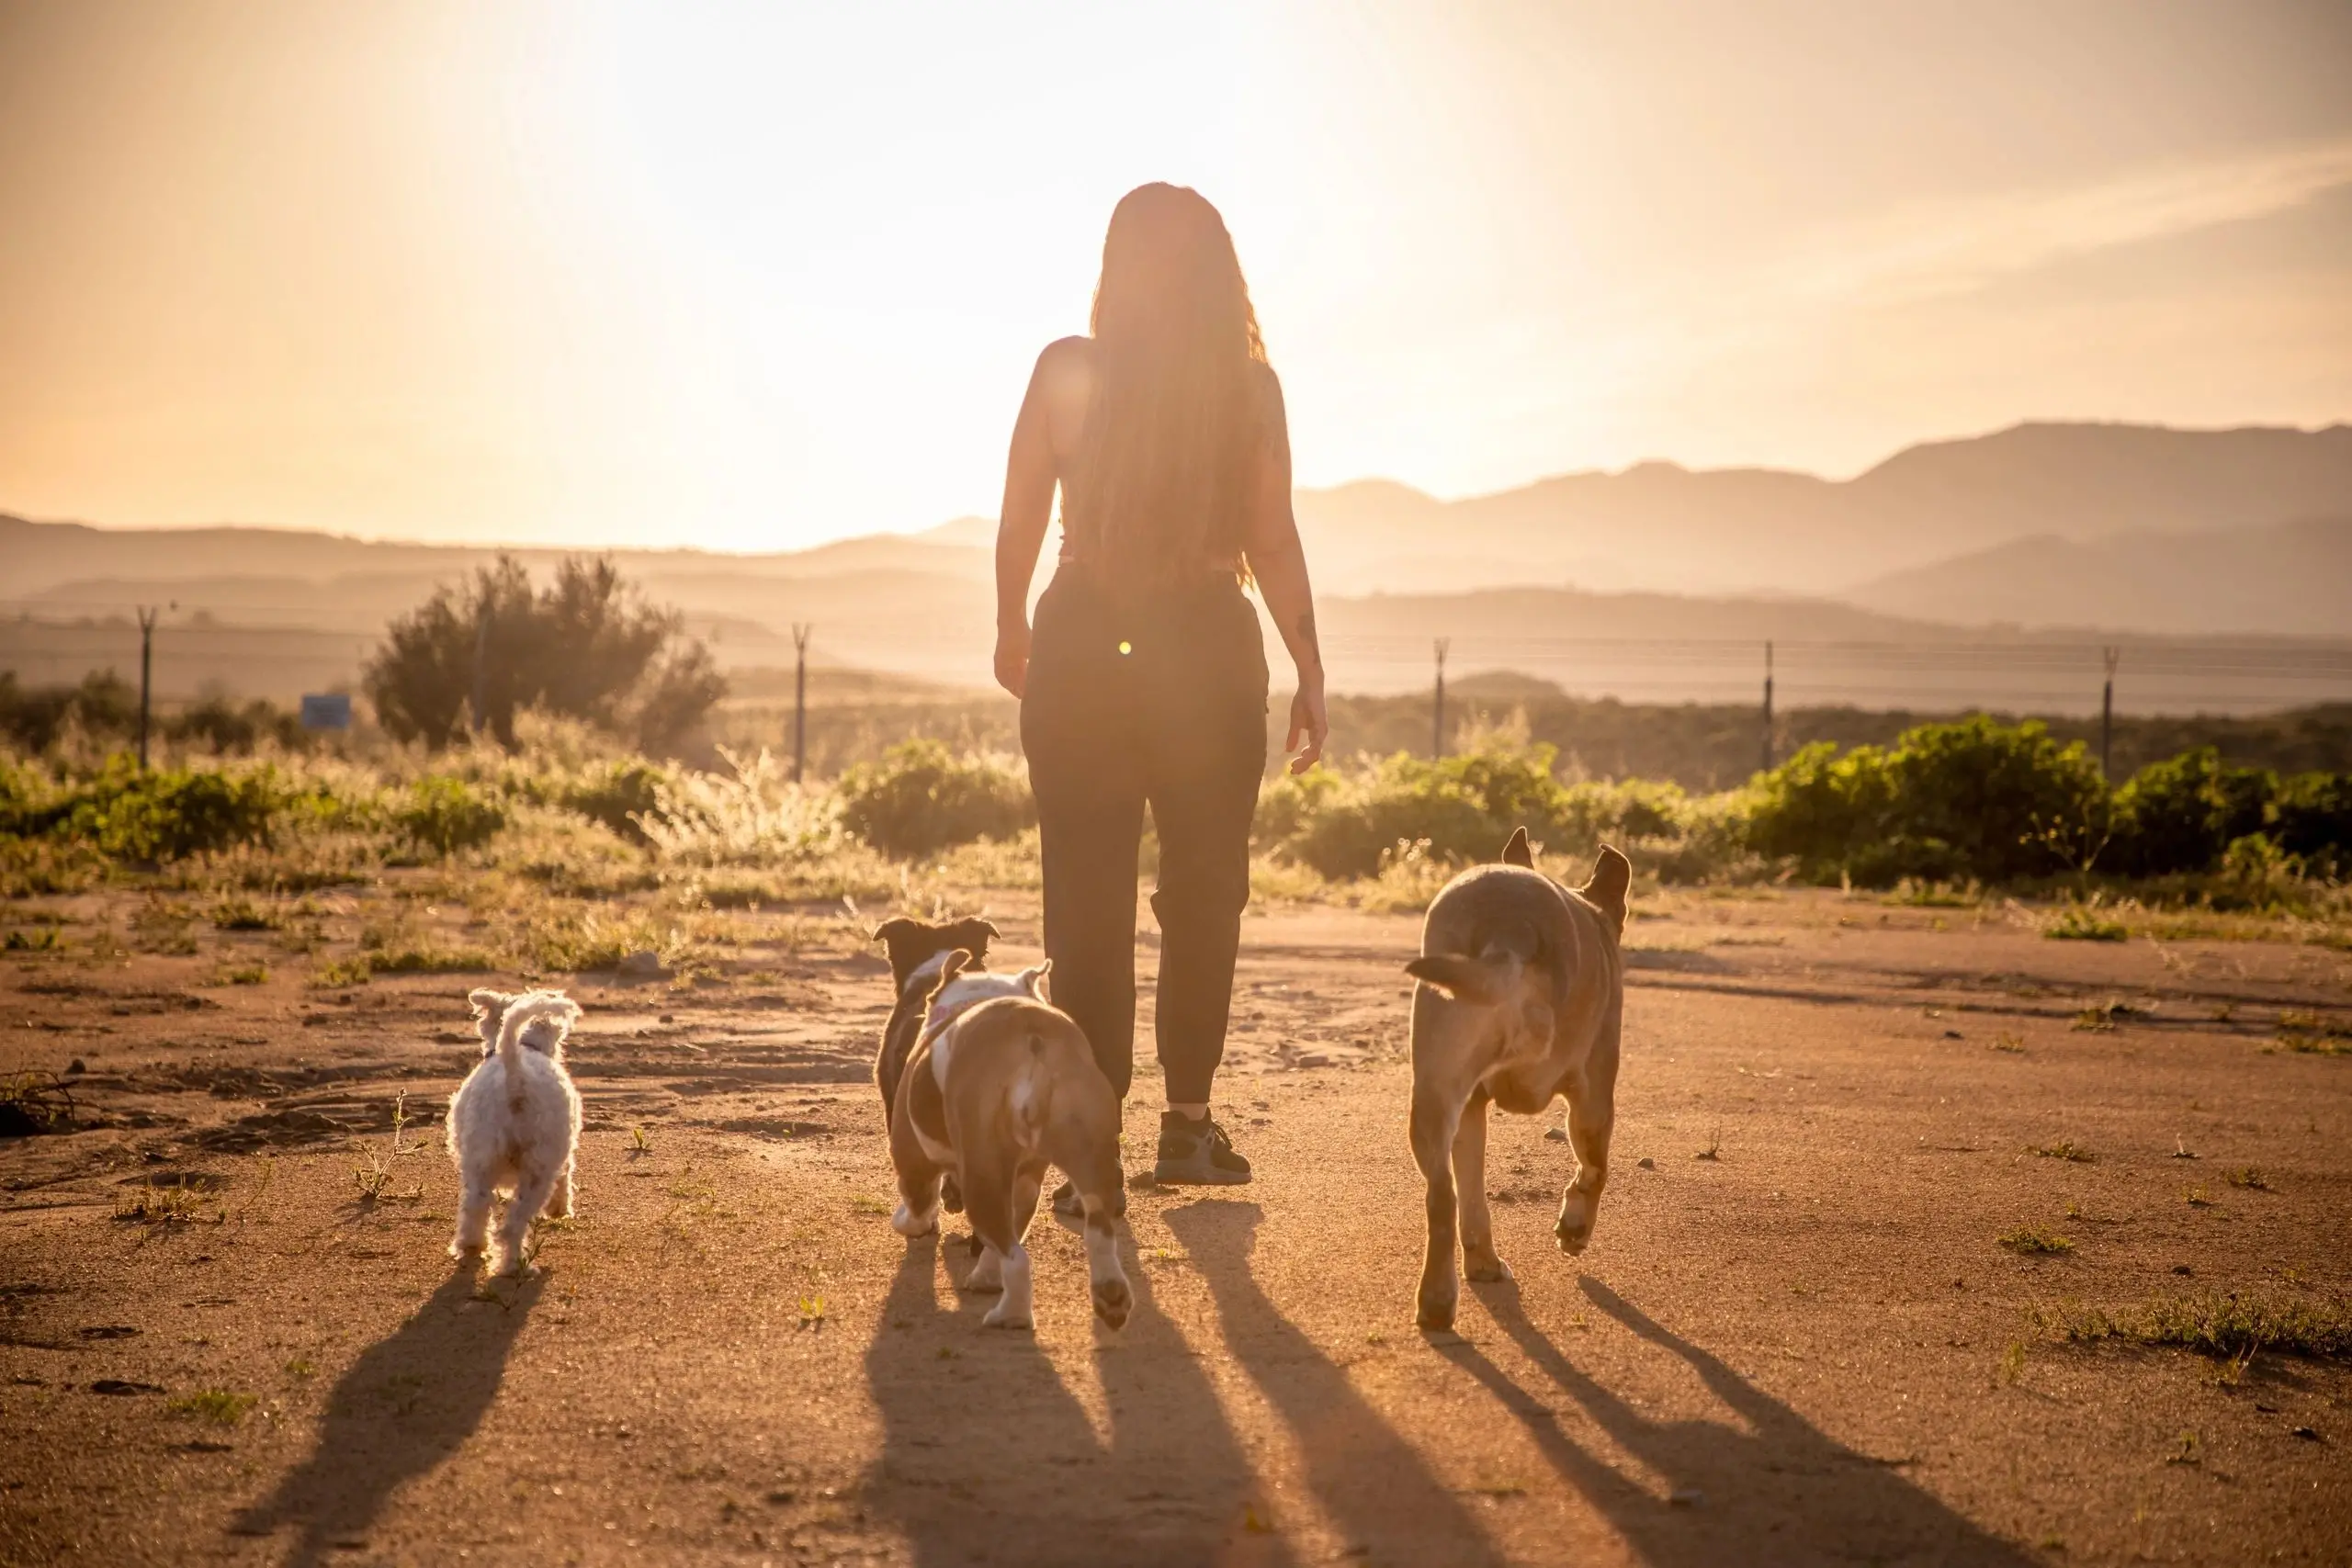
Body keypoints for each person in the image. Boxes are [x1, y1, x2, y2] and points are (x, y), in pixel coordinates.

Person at [992, 182, 1328, 1191]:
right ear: (1219, 274)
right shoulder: (1247, 389)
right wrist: (1310, 666)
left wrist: (1012, 623)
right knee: (1203, 892)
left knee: (1083, 898)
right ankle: (1187, 1129)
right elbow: (1270, 539)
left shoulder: (1066, 371)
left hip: (1084, 641)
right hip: (1207, 651)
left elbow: (1018, 516)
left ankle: (1087, 1137)